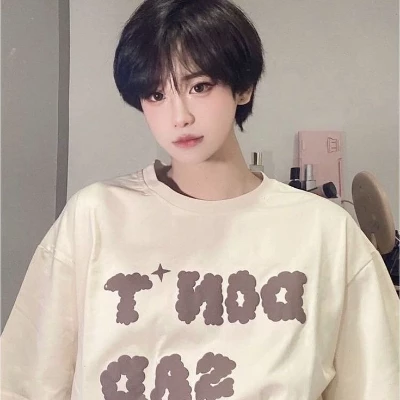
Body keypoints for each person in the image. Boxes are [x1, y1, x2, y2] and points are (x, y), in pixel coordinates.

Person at [1, 0, 399, 399]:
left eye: (199, 87)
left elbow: (377, 385)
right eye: (156, 94)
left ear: (243, 87)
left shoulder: (325, 233)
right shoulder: (95, 217)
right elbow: (25, 382)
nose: (180, 116)